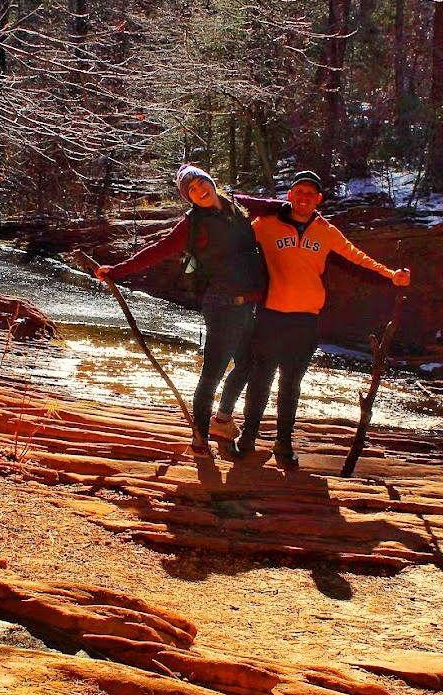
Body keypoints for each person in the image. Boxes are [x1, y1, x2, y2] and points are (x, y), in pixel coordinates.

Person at [95, 162, 283, 454]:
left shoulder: (236, 204)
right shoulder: (193, 223)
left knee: (246, 366)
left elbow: (271, 206)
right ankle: (200, 437)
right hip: (220, 306)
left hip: (249, 305)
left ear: (211, 182)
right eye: (191, 190)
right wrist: (117, 271)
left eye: (200, 184)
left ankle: (222, 419)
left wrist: (295, 207)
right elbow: (160, 249)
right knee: (213, 373)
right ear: (189, 198)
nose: (199, 191)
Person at [231, 169, 411, 470]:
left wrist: (391, 276)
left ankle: (283, 442)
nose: (303, 198)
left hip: (307, 320)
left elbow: (356, 257)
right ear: (289, 195)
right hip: (270, 315)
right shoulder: (265, 225)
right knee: (261, 378)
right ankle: (248, 437)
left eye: (310, 194)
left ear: (318, 200)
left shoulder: (325, 231)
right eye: (298, 192)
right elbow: (234, 240)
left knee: (292, 383)